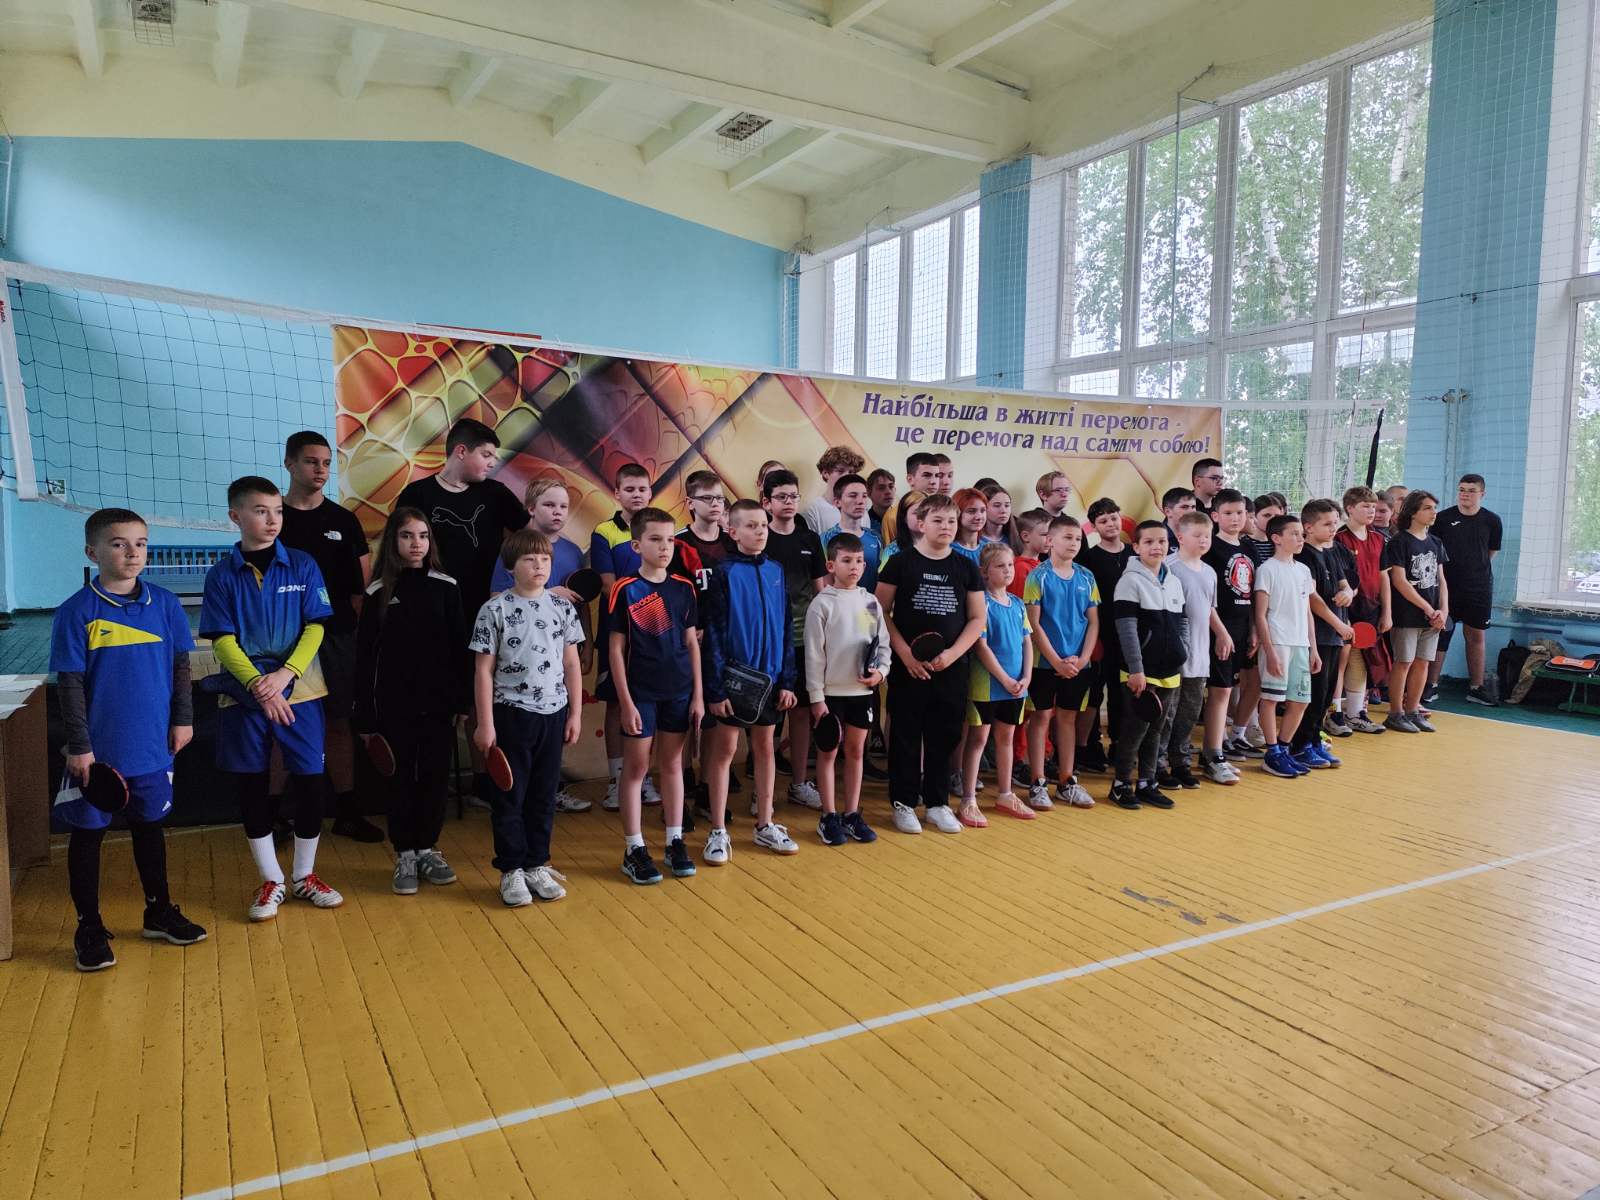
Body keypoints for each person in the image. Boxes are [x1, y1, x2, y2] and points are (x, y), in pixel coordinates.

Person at [53, 508, 205, 971]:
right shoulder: (76, 611)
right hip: (97, 753)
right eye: (119, 544)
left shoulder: (166, 604)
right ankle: (89, 927)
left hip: (152, 747)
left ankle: (158, 911)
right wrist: (80, 746)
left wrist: (183, 719)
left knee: (149, 828)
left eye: (140, 543)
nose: (132, 552)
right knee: (88, 837)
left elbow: (181, 668)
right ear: (92, 552)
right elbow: (70, 685)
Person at [201, 476, 343, 920]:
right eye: (261, 511)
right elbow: (222, 640)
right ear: (235, 516)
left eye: (277, 511)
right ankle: (271, 879)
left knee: (310, 780)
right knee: (252, 784)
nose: (272, 519)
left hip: (301, 690)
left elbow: (315, 627)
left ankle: (304, 876)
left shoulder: (302, 564)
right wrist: (257, 686)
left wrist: (285, 675)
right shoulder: (221, 575)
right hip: (244, 693)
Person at [353, 507, 468, 895]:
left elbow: (460, 651)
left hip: (439, 707)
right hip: (393, 707)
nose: (416, 543)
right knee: (400, 781)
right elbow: (365, 658)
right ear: (393, 541)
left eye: (422, 536)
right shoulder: (377, 593)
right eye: (406, 536)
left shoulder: (447, 587)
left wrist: (462, 703)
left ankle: (427, 849)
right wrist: (365, 715)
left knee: (434, 779)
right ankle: (404, 853)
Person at [472, 529, 585, 902]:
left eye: (545, 559)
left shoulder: (562, 608)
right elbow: (483, 671)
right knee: (510, 796)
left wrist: (575, 714)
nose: (539, 566)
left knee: (543, 795)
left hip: (554, 714)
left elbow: (572, 663)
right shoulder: (494, 610)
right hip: (511, 715)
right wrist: (485, 724)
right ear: (510, 567)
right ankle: (511, 870)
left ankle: (537, 863)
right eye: (529, 559)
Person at [277, 431, 379, 842]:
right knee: (281, 721)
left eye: (325, 463)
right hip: (284, 640)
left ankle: (347, 811)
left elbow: (360, 588)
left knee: (338, 722)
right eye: (310, 461)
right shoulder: (274, 518)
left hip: (335, 637)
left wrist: (348, 632)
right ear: (289, 464)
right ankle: (274, 814)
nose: (320, 470)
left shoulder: (343, 521)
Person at [601, 510, 702, 884]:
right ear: (636, 545)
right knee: (637, 769)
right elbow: (615, 650)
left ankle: (675, 841)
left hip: (679, 691)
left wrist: (698, 695)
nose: (665, 547)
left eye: (670, 540)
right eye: (655, 539)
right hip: (640, 694)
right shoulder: (625, 589)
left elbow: (691, 642)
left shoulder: (684, 587)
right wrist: (626, 702)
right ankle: (634, 848)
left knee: (673, 765)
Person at [876, 493, 986, 835]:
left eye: (951, 521)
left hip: (951, 669)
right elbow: (880, 611)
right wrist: (905, 654)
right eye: (938, 520)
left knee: (945, 735)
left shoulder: (966, 567)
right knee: (906, 735)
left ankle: (938, 804)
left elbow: (977, 618)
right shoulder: (900, 563)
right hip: (908, 667)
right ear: (921, 524)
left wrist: (952, 654)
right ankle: (904, 803)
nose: (946, 527)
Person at [702, 499, 800, 861]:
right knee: (725, 751)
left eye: (762, 525)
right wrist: (715, 689)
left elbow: (786, 628)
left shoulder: (776, 570)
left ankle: (765, 824)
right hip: (735, 682)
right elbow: (713, 634)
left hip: (771, 681)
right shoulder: (723, 572)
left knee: (765, 748)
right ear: (733, 532)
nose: (759, 531)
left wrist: (787, 680)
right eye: (750, 526)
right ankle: (717, 830)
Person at [489, 479, 594, 813]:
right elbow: (497, 597)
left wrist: (587, 642)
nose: (558, 512)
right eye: (550, 505)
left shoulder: (573, 551)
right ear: (531, 508)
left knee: (556, 725)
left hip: (558, 654)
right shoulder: (513, 549)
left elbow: (579, 602)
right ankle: (516, 798)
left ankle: (552, 791)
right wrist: (550, 594)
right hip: (519, 662)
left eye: (563, 506)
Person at [395, 418, 529, 641]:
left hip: (486, 606)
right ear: (461, 451)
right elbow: (397, 552)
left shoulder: (496, 493)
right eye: (486, 455)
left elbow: (532, 538)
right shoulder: (417, 494)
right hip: (432, 606)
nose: (492, 463)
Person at [804, 532, 889, 845]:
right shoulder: (821, 605)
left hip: (862, 693)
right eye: (847, 560)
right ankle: (829, 816)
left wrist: (880, 673)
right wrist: (816, 699)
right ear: (831, 565)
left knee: (856, 752)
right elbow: (814, 656)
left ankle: (851, 814)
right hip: (829, 695)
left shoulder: (870, 602)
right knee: (828, 753)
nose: (854, 566)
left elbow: (882, 644)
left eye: (859, 561)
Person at [592, 463, 665, 811]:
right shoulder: (604, 532)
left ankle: (643, 777)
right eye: (630, 489)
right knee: (616, 703)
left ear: (650, 492)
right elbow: (608, 585)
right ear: (617, 493)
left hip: (654, 635)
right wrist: (640, 610)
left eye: (642, 489)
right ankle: (616, 780)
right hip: (617, 631)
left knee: (649, 702)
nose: (637, 495)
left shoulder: (661, 528)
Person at [760, 469, 827, 811]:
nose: (789, 502)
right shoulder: (761, 538)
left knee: (801, 714)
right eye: (781, 497)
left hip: (803, 639)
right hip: (767, 642)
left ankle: (799, 783)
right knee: (766, 719)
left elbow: (821, 590)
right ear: (766, 502)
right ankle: (763, 792)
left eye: (793, 496)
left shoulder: (810, 539)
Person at [1023, 515, 1100, 811]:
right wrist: (1056, 660)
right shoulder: (1038, 576)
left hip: (1077, 664)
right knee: (1041, 717)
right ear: (1050, 541)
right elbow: (1034, 624)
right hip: (1044, 663)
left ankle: (1067, 781)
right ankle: (1038, 782)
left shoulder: (1087, 577)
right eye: (1067, 537)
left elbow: (1093, 622)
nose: (1074, 543)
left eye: (1078, 538)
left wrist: (1082, 659)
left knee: (1068, 719)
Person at [1110, 522, 1186, 811]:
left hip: (1170, 671)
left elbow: (1182, 623)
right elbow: (1127, 629)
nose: (1157, 547)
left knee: (1157, 729)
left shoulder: (1173, 581)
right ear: (1136, 547)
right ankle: (1120, 784)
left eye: (1162, 541)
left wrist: (1182, 652)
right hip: (1140, 671)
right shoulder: (1129, 581)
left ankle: (1147, 782)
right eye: (1149, 542)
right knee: (1135, 730)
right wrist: (1136, 669)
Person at [964, 542, 1034, 823]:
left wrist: (1026, 677)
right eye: (1000, 566)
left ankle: (1005, 793)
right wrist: (1004, 678)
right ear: (984, 571)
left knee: (1006, 738)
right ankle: (968, 799)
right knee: (979, 739)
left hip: (1016, 685)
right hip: (987, 685)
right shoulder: (981, 602)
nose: (1007, 570)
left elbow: (1027, 642)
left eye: (1010, 565)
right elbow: (981, 646)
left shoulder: (1017, 603)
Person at [1161, 512, 1229, 790]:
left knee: (1189, 711)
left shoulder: (1210, 572)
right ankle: (1158, 764)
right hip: (1174, 654)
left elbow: (1209, 608)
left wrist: (1222, 633)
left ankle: (1181, 762)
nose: (1203, 540)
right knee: (1167, 712)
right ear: (1180, 537)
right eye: (1197, 535)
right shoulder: (1169, 567)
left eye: (1207, 536)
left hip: (1200, 654)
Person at [1253, 514, 1320, 779]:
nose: (1300, 538)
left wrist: (1313, 648)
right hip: (1278, 642)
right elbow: (1260, 615)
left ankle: (1283, 748)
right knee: (1271, 699)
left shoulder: (1303, 570)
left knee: (1300, 701)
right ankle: (1271, 753)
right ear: (1276, 538)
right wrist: (1269, 651)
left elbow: (1307, 612)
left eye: (1301, 533)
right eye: (1293, 533)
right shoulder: (1267, 569)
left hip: (1300, 643)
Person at [1293, 500, 1356, 770]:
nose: (1333, 529)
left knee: (1327, 693)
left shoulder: (1331, 552)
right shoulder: (1305, 556)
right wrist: (1338, 624)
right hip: (1317, 635)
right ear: (1308, 527)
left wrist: (1347, 593)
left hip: (1334, 635)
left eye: (1335, 523)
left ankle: (1315, 740)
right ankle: (1300, 746)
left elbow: (1344, 584)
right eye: (1327, 524)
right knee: (1314, 694)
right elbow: (1313, 598)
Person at [1430, 474, 1502, 706]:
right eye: (1462, 489)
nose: (1465, 494)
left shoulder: (1492, 520)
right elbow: (1434, 554)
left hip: (1479, 589)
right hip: (1447, 589)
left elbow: (1490, 553)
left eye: (1471, 490)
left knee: (1476, 636)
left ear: (1482, 494)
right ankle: (1431, 685)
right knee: (1441, 634)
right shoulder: (1442, 519)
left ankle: (1476, 688)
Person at [1383, 490, 1449, 734]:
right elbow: (1399, 581)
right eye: (1427, 508)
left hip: (1432, 616)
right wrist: (1428, 608)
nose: (1434, 513)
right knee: (1404, 662)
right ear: (1413, 512)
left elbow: (1441, 580)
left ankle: (1412, 710)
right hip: (1408, 614)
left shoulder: (1436, 542)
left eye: (1434, 508)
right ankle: (1395, 713)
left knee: (1423, 662)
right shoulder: (1399, 542)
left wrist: (1443, 610)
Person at [1199, 489, 1253, 782]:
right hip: (1219, 629)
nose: (1235, 518)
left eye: (1240, 513)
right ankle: (1212, 753)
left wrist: (1254, 630)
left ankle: (1225, 743)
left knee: (1237, 687)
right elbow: (1206, 598)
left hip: (1244, 629)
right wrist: (1220, 631)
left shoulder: (1249, 548)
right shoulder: (1211, 549)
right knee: (1220, 691)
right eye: (1228, 513)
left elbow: (1253, 594)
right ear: (1215, 516)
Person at [1078, 498, 1134, 772]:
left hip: (1129, 635)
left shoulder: (1134, 555)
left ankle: (1120, 743)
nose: (1110, 524)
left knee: (1122, 692)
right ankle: (1090, 744)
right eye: (1103, 520)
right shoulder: (1088, 559)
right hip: (1101, 634)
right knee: (1094, 693)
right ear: (1094, 526)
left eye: (1114, 518)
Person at [1333, 485, 1391, 734]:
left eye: (1374, 506)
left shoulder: (1379, 539)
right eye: (1365, 506)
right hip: (1346, 611)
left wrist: (1387, 612)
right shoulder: (1339, 539)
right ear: (1349, 508)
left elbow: (1384, 576)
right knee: (1341, 662)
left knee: (1363, 661)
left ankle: (1356, 713)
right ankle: (1334, 712)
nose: (1371, 511)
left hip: (1371, 610)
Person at [823, 473, 883, 591]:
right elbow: (825, 583)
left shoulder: (875, 537)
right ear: (837, 502)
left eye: (864, 496)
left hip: (870, 601)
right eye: (853, 495)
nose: (860, 501)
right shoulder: (826, 538)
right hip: (838, 601)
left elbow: (880, 578)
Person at [801, 446, 865, 536]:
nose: (847, 477)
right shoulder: (812, 510)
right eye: (840, 471)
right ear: (825, 473)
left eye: (851, 472)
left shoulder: (862, 510)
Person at [1010, 510, 1050, 597]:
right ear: (1026, 536)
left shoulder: (1041, 565)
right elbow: (1020, 602)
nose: (1049, 539)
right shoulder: (1020, 568)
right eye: (1044, 534)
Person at [951, 487, 989, 567]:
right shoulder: (948, 550)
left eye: (983, 511)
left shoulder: (989, 549)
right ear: (957, 514)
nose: (979, 517)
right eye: (971, 511)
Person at [981, 485, 1020, 551]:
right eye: (997, 506)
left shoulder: (1017, 540)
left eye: (1007, 505)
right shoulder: (975, 541)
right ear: (984, 508)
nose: (1003, 511)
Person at [866, 468, 896, 536]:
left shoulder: (903, 519)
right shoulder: (864, 523)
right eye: (881, 488)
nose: (888, 492)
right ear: (869, 493)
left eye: (891, 486)